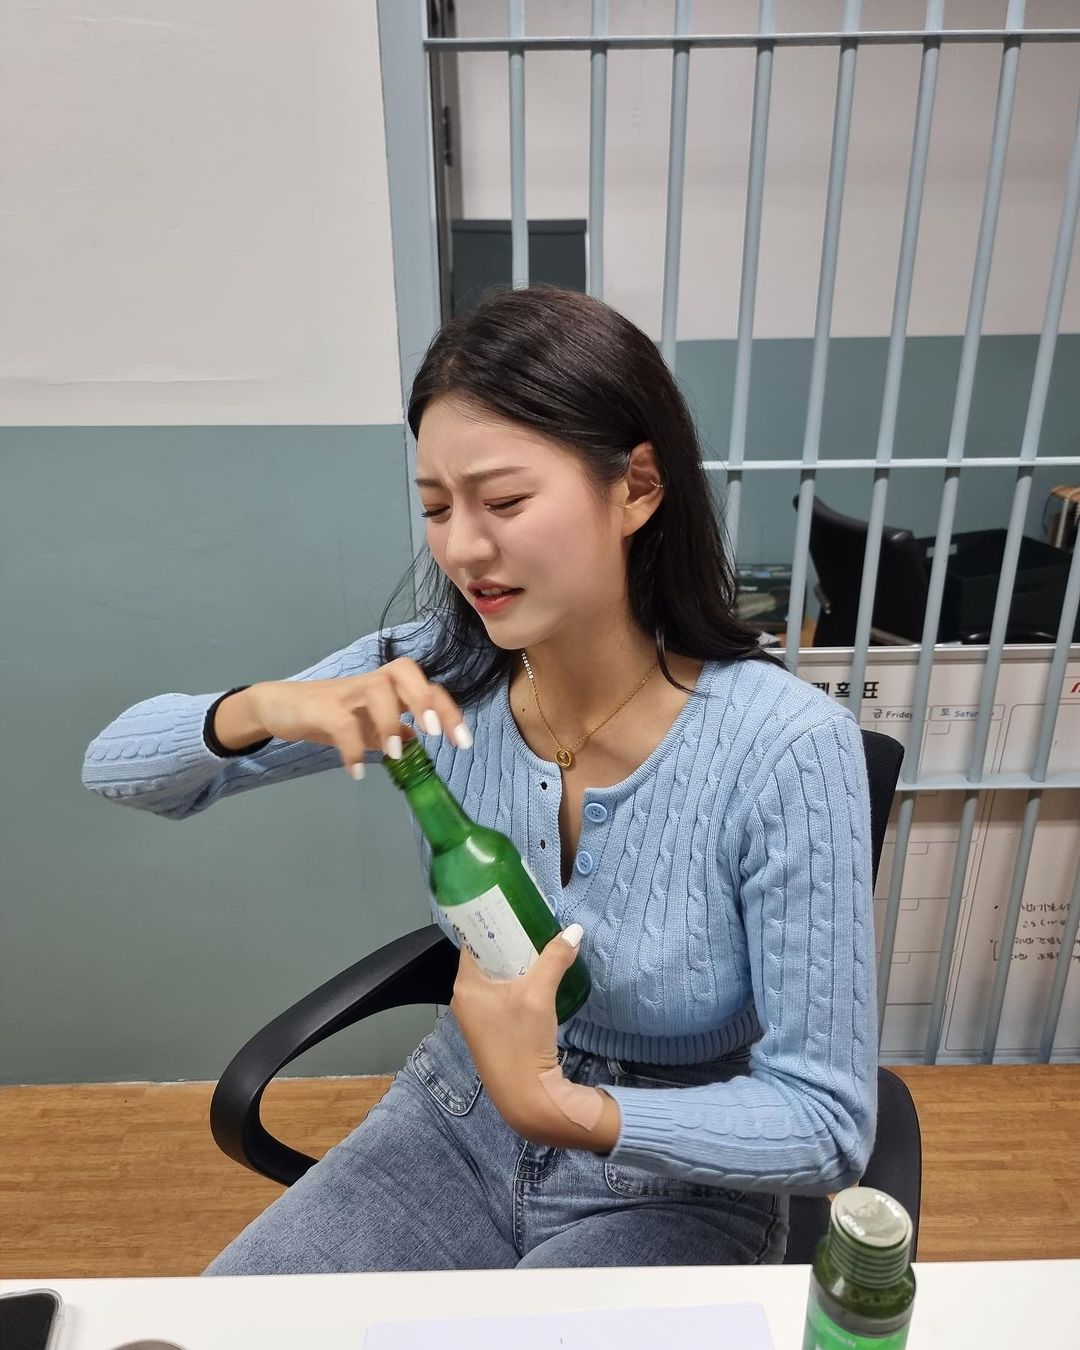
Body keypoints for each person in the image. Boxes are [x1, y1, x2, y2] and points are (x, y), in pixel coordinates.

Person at [82, 285, 877, 1274]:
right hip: (453, 1123)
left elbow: (826, 1123)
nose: (461, 547)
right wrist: (266, 706)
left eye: (503, 502)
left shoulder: (786, 748)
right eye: (435, 507)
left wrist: (559, 1106)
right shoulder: (438, 673)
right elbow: (117, 769)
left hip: (673, 1177)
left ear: (636, 487)